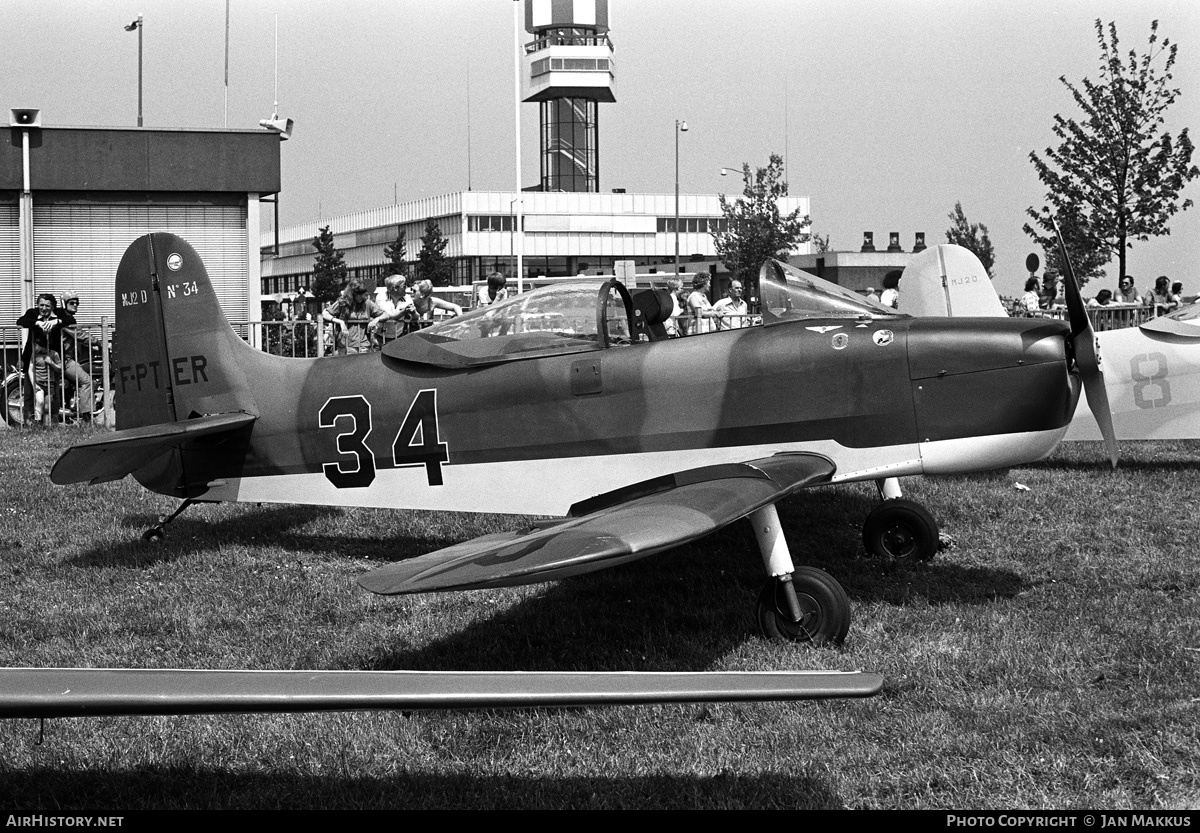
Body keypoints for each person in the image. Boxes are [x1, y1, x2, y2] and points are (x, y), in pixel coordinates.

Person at [16, 293, 75, 422]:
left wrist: (56, 322)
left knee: (53, 393)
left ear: (53, 306)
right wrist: (37, 323)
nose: (44, 308)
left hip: (53, 358)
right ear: (37, 305)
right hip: (32, 358)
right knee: (30, 391)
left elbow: (72, 320)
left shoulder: (59, 313)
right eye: (41, 305)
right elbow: (20, 321)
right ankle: (29, 421)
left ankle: (52, 421)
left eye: (47, 306)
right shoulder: (33, 312)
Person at [57, 291, 96, 418]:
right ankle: (86, 417)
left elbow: (76, 337)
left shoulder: (66, 318)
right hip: (64, 360)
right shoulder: (65, 319)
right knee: (87, 382)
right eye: (72, 303)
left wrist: (91, 345)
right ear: (64, 303)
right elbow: (79, 335)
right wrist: (100, 343)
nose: (75, 305)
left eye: (77, 303)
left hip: (66, 358)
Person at [321, 279, 386, 354]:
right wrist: (340, 322)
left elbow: (385, 315)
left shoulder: (367, 303)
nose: (362, 297)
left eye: (363, 294)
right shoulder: (343, 303)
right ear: (352, 294)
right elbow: (325, 314)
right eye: (359, 294)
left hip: (363, 345)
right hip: (345, 345)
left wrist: (376, 320)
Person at [369, 274, 415, 343]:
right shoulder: (381, 297)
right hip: (381, 337)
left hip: (399, 336)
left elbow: (415, 317)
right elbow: (389, 316)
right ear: (395, 288)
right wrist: (404, 311)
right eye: (404, 286)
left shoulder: (408, 298)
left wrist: (414, 312)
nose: (406, 287)